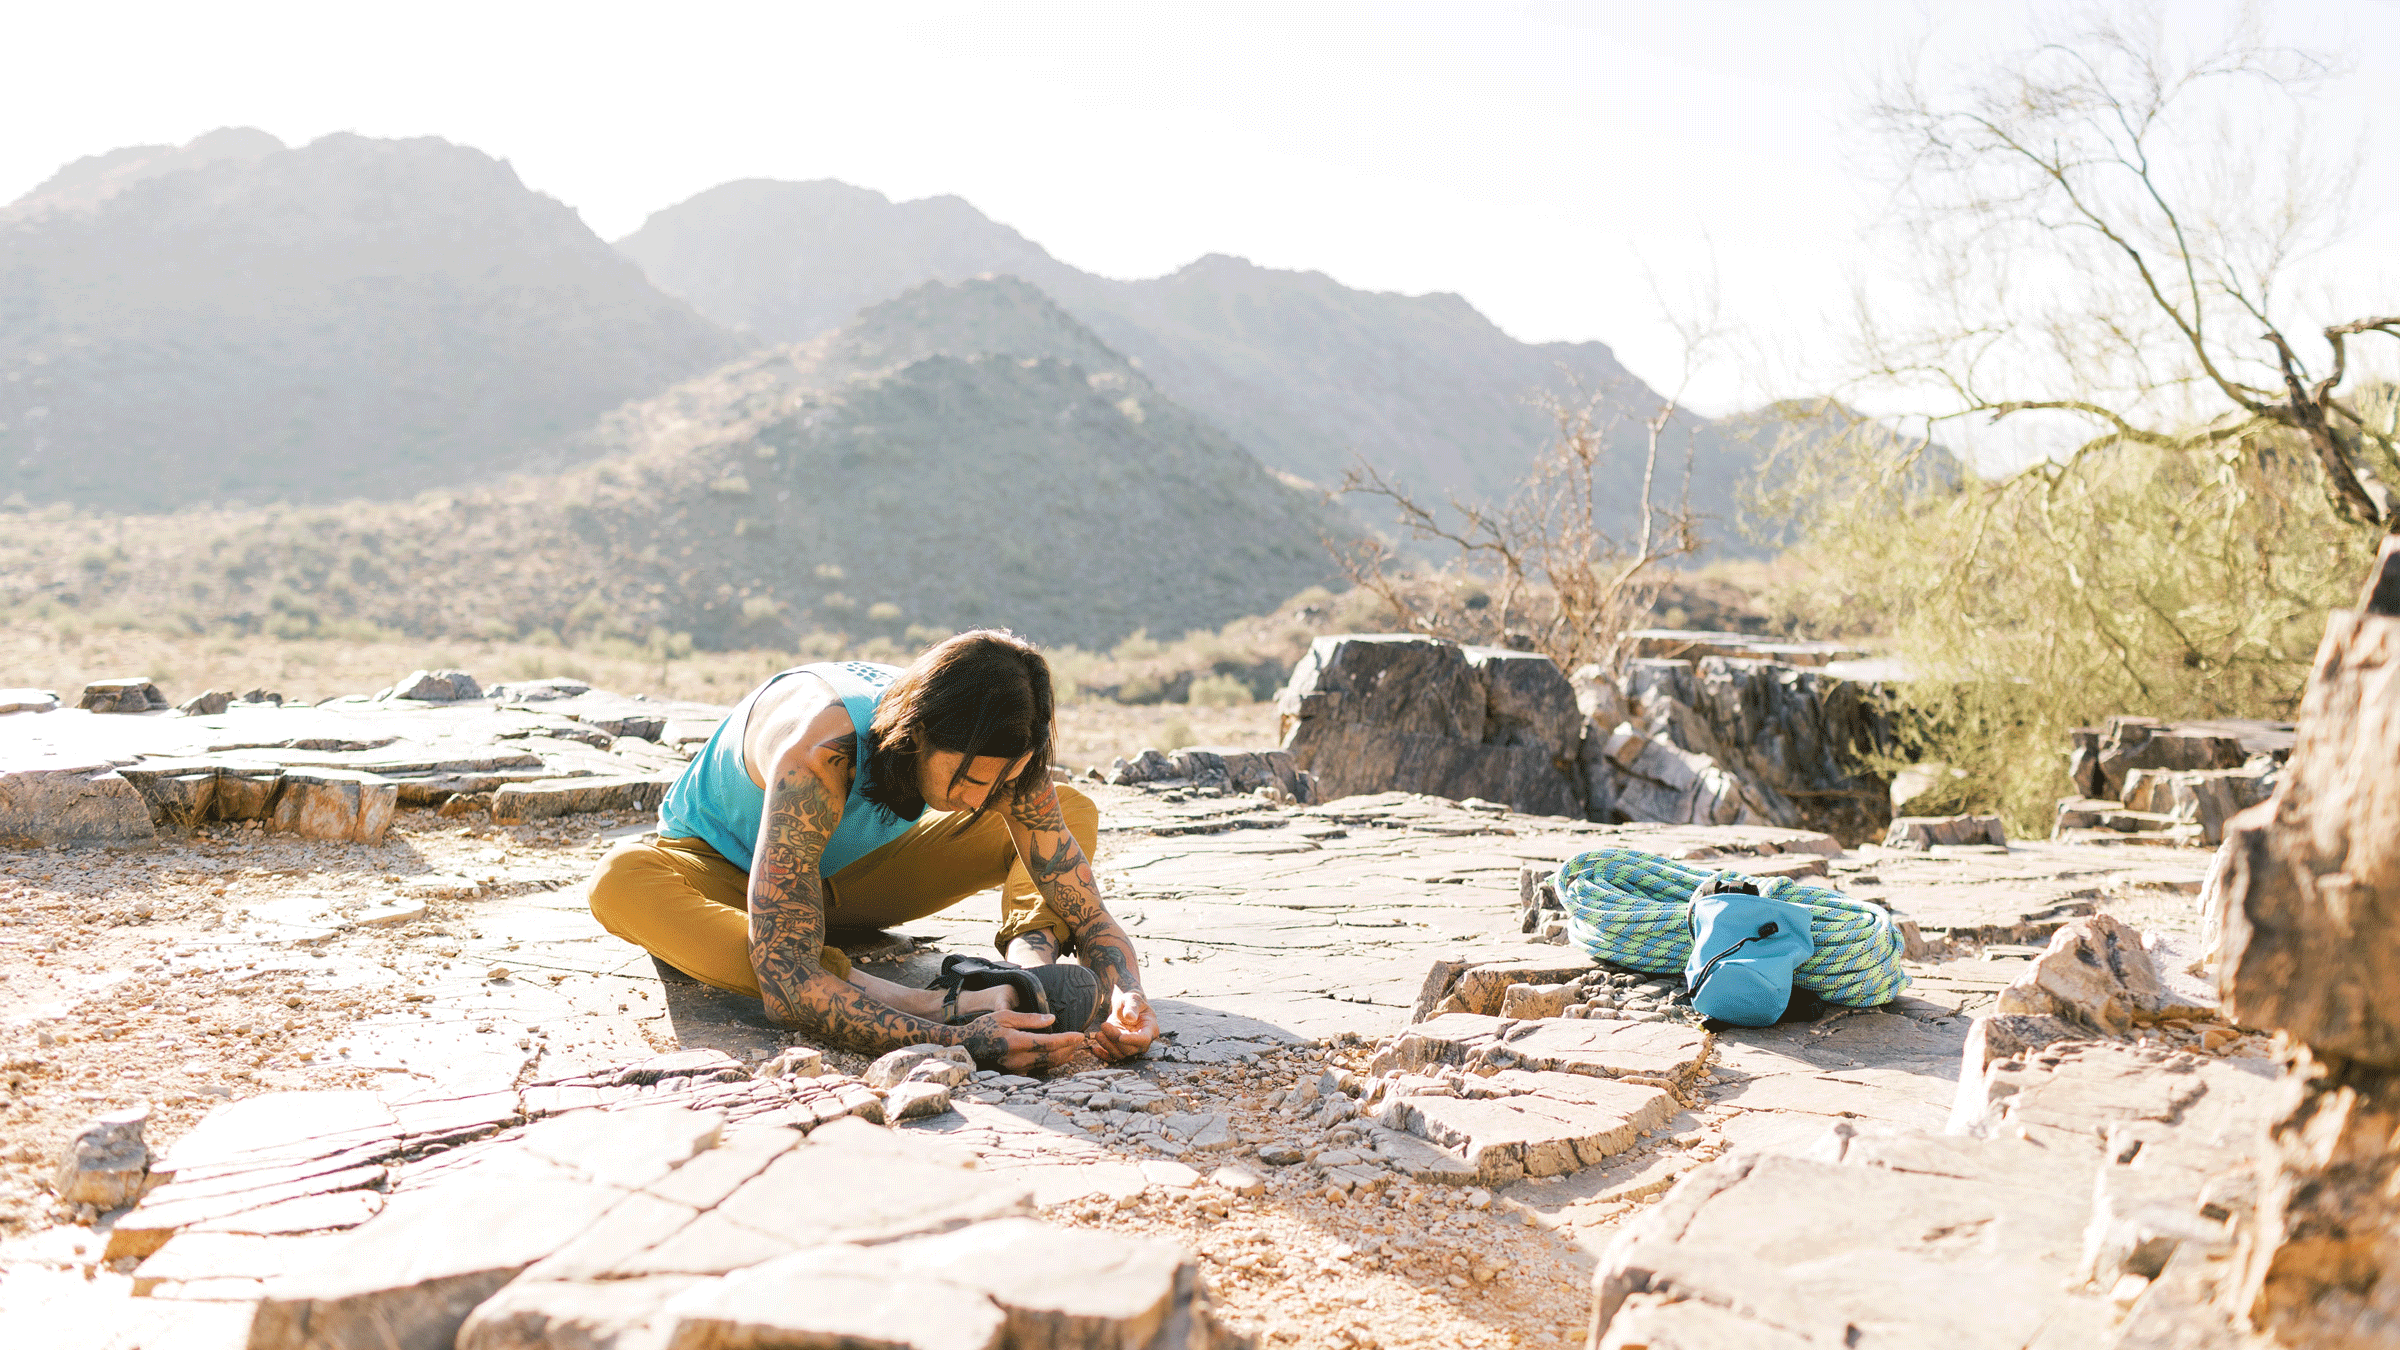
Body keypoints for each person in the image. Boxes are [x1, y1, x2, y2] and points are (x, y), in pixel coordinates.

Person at [586, 630, 1156, 1072]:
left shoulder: (1000, 758)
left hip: (854, 878)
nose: (982, 798)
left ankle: (1026, 978)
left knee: (1070, 808)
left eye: (998, 780)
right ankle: (944, 1000)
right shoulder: (820, 748)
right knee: (621, 879)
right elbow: (786, 985)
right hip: (728, 876)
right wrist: (955, 1039)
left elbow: (1088, 911)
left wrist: (1130, 997)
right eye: (965, 778)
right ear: (918, 734)